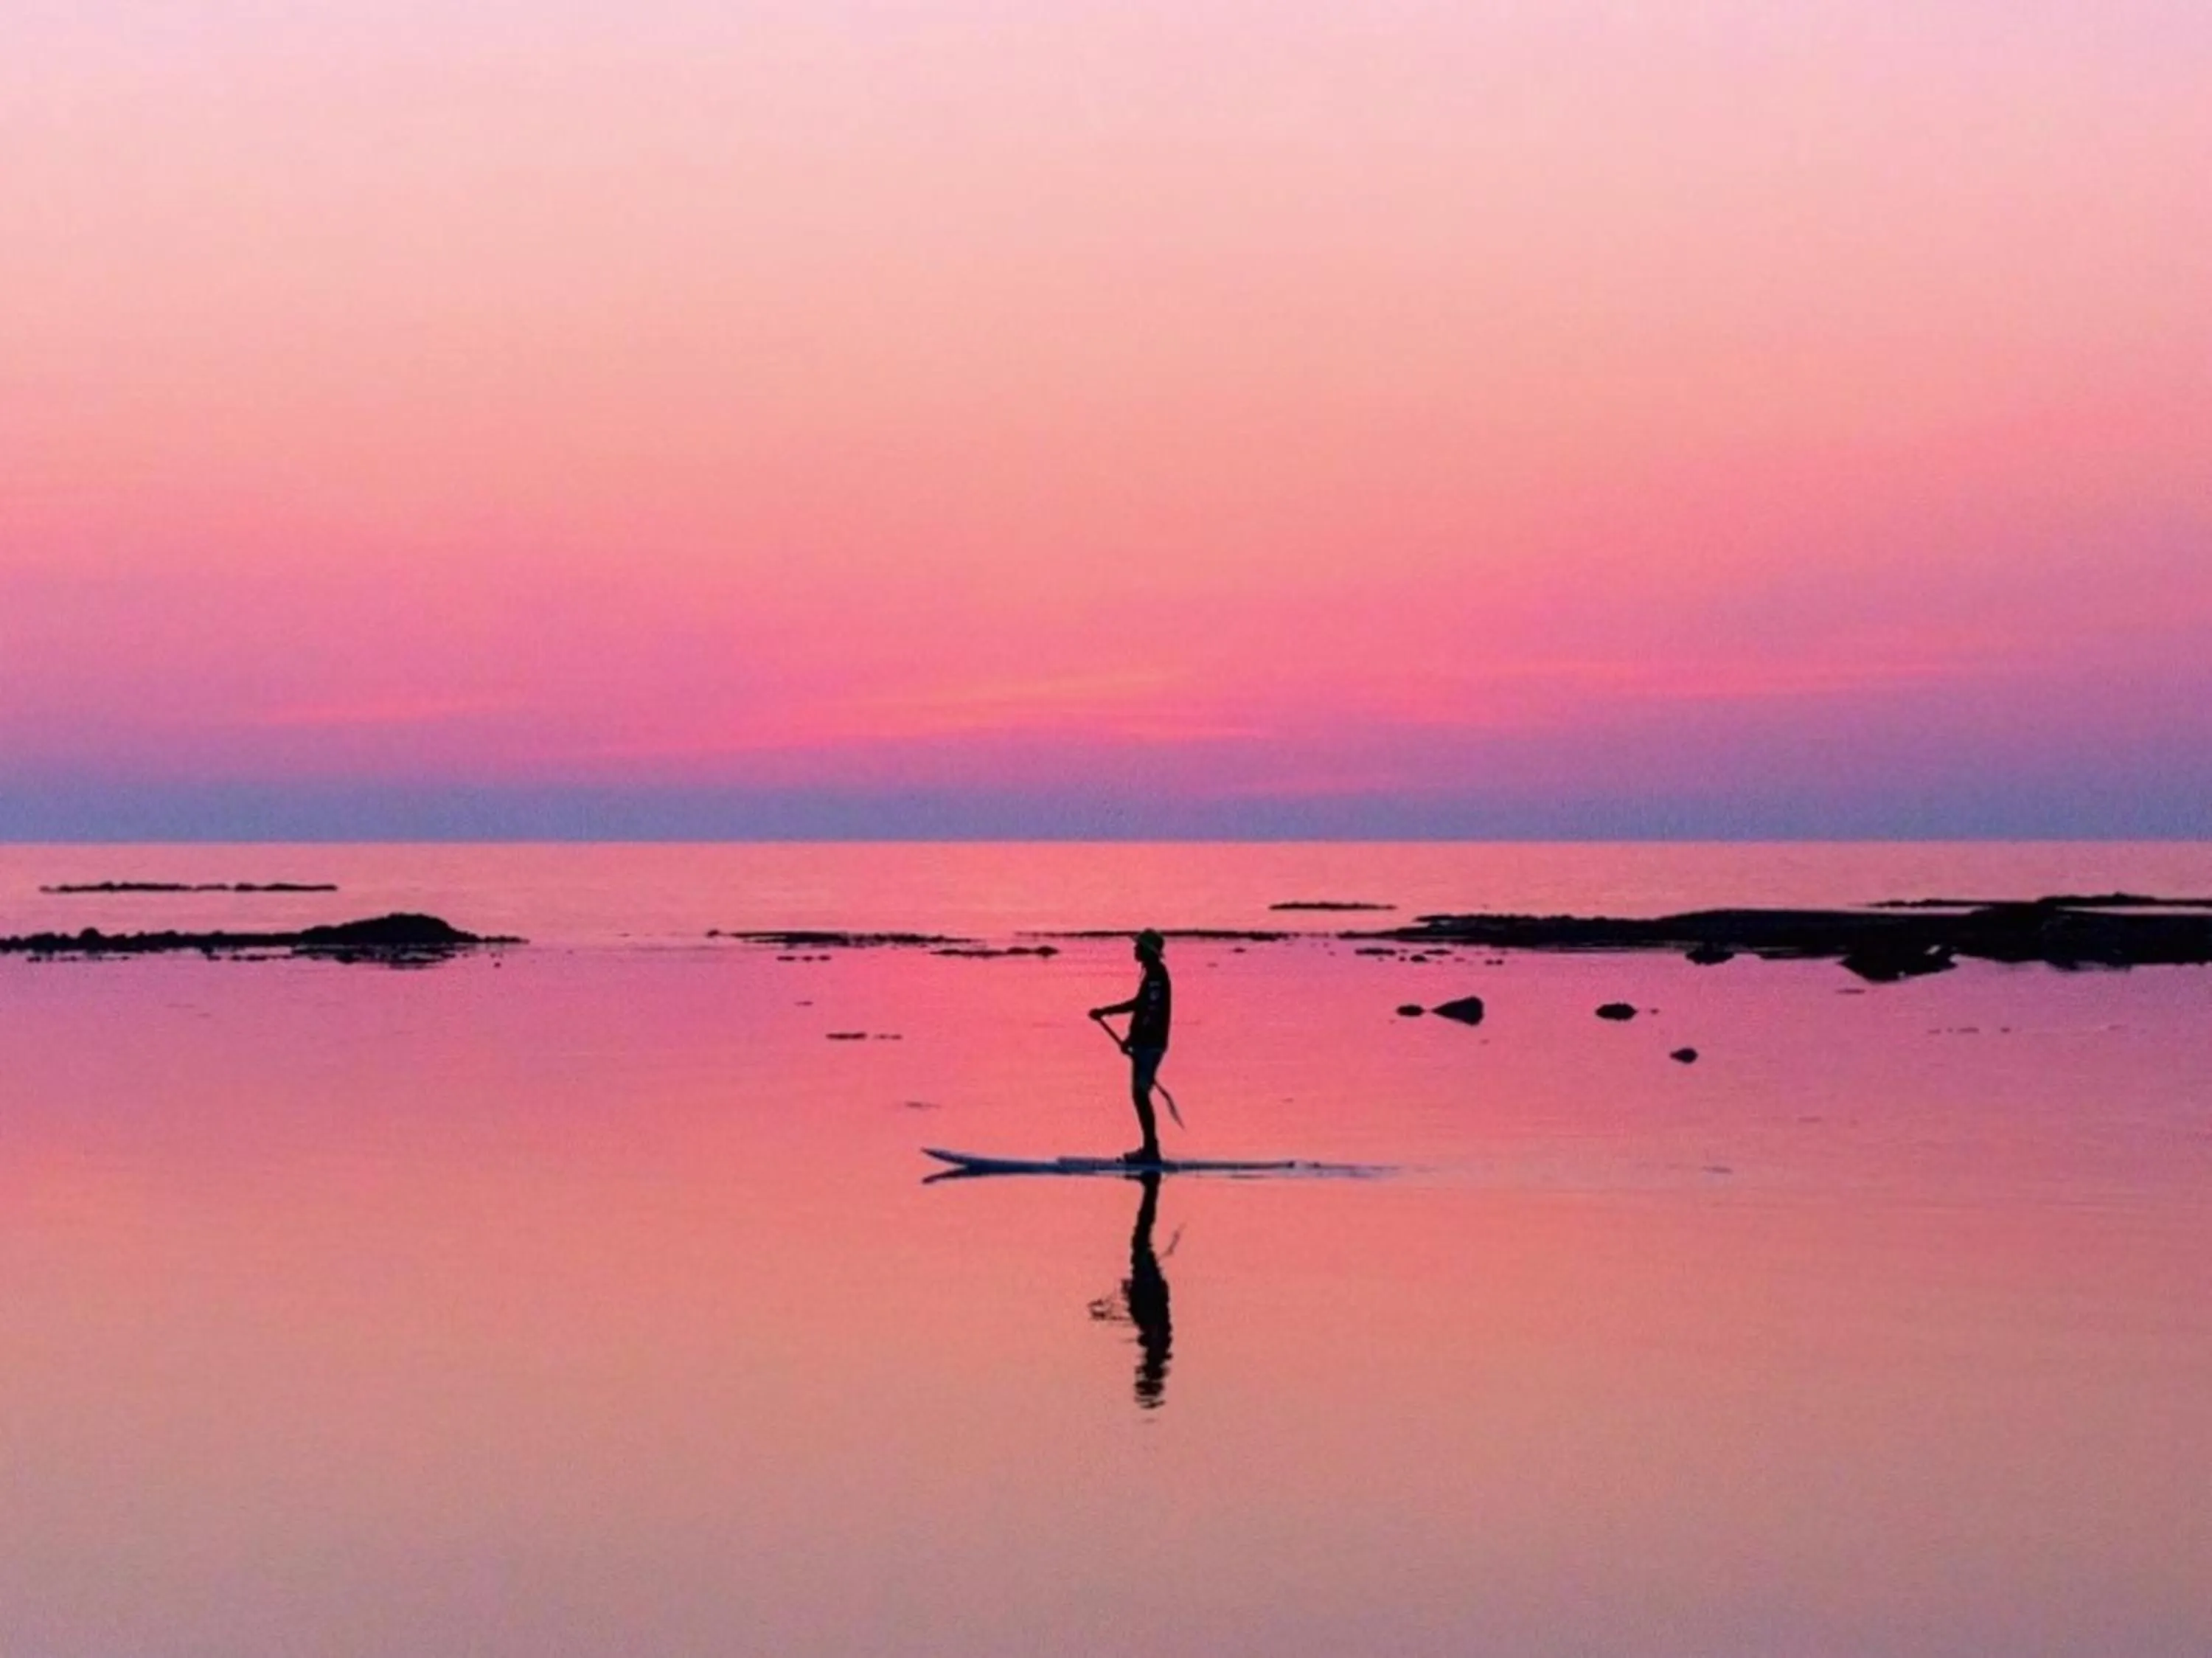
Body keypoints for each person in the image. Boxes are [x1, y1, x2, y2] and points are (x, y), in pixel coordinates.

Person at [1089, 929, 1172, 1163]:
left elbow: (1150, 1013)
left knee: (1140, 1094)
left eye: (1138, 947)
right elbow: (1140, 1005)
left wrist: (1133, 1040)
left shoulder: (1156, 976)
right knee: (1139, 1095)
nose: (1134, 950)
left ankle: (1151, 1151)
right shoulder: (1153, 974)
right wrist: (1106, 1013)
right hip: (1147, 1043)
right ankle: (1149, 1148)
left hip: (1151, 1044)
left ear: (1148, 951)